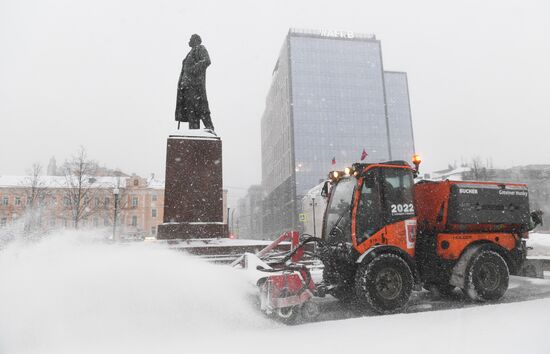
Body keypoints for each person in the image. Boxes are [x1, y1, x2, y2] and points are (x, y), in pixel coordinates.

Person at [175, 34, 215, 134]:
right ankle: (194, 133)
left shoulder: (200, 48)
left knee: (201, 107)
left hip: (195, 86)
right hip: (187, 87)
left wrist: (192, 71)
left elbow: (206, 61)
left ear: (196, 40)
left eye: (191, 39)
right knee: (191, 111)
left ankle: (209, 127)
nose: (189, 40)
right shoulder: (190, 53)